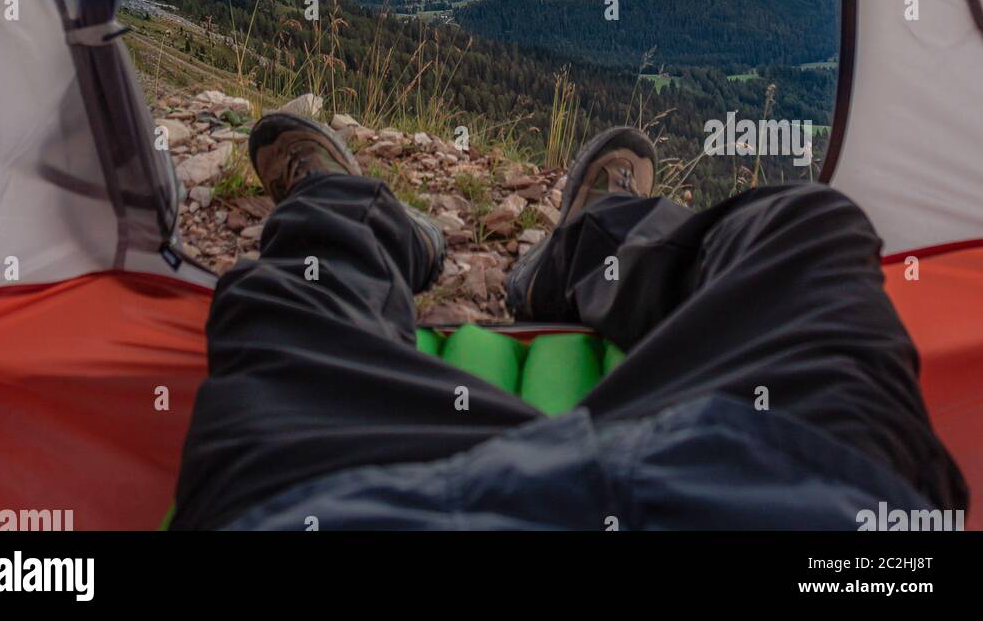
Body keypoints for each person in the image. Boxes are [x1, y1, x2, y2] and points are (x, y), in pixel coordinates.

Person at [171, 115, 967, 531]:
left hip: (347, 500)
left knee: (278, 305)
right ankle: (591, 240)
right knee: (812, 226)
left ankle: (351, 215)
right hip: (781, 486)